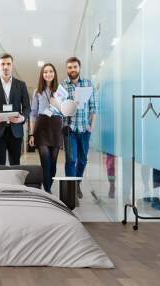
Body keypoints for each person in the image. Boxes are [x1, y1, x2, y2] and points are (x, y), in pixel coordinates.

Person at [0, 53, 30, 165]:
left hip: (16, 131)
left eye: (8, 64)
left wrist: (22, 118)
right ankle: (0, 183)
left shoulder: (21, 85)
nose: (5, 67)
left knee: (15, 164)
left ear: (12, 66)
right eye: (2, 64)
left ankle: (14, 183)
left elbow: (27, 107)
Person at [61, 57, 96, 199]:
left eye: (75, 67)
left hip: (84, 129)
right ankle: (71, 189)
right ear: (67, 69)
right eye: (69, 67)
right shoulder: (63, 85)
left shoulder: (88, 83)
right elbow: (58, 107)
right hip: (69, 129)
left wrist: (91, 127)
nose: (72, 70)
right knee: (71, 160)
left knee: (83, 160)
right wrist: (68, 105)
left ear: (79, 68)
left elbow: (93, 107)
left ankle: (77, 184)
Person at [29, 63, 62, 193]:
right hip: (41, 126)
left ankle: (48, 182)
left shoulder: (60, 91)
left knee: (53, 162)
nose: (48, 74)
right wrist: (32, 134)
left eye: (51, 71)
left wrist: (58, 104)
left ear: (54, 74)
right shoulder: (37, 91)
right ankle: (47, 190)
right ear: (42, 75)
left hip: (56, 126)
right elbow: (33, 112)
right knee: (45, 160)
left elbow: (65, 111)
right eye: (45, 72)